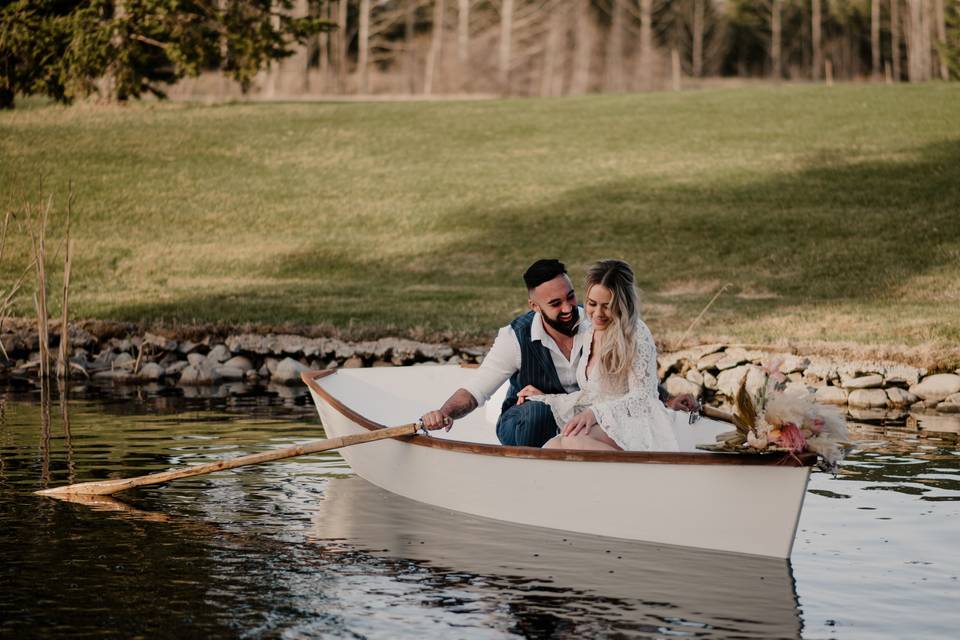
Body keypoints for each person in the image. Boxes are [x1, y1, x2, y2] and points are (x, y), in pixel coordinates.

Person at [420, 258, 592, 447]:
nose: (568, 308)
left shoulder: (596, 325)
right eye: (555, 303)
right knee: (538, 412)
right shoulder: (515, 337)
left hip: (584, 416)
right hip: (526, 423)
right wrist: (444, 413)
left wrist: (553, 399)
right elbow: (474, 391)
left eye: (570, 296)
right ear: (535, 306)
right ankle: (527, 472)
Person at [526, 259, 693, 452]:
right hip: (604, 422)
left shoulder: (635, 332)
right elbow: (593, 394)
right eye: (592, 304)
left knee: (574, 441)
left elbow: (644, 397)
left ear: (622, 304)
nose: (598, 313)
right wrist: (546, 398)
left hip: (635, 421)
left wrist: (595, 413)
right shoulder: (589, 332)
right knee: (551, 448)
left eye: (607, 306)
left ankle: (635, 479)